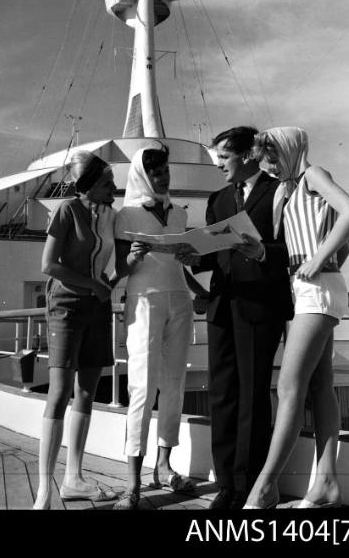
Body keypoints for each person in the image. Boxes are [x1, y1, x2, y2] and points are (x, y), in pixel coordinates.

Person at [242, 126, 349, 509]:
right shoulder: (290, 188)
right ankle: (327, 486)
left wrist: (319, 260)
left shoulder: (313, 175)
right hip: (310, 288)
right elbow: (346, 235)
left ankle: (265, 487)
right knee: (318, 388)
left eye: (273, 157)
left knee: (289, 389)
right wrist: (326, 259)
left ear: (291, 149)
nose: (270, 166)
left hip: (316, 289)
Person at [176, 126, 294, 509]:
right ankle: (226, 482)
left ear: (247, 156)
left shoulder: (279, 192)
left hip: (262, 304)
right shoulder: (219, 198)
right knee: (223, 393)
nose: (219, 165)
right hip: (223, 303)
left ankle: (247, 486)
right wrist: (193, 256)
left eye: (224, 157)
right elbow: (215, 253)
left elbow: (291, 249)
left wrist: (261, 252)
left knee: (252, 394)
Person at [112, 144, 209, 510]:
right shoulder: (127, 215)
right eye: (155, 172)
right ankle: (132, 480)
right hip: (145, 298)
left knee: (175, 383)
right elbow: (122, 268)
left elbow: (183, 265)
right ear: (141, 175)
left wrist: (202, 288)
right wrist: (132, 258)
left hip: (179, 300)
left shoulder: (180, 215)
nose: (162, 177)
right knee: (142, 386)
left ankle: (164, 465)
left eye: (165, 170)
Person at [33, 151, 119, 510]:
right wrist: (93, 285)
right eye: (106, 182)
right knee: (59, 393)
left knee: (86, 392)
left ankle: (74, 479)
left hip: (96, 308)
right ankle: (44, 489)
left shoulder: (109, 216)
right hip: (66, 307)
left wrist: (119, 273)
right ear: (89, 186)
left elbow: (110, 267)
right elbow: (49, 264)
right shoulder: (67, 211)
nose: (113, 187)